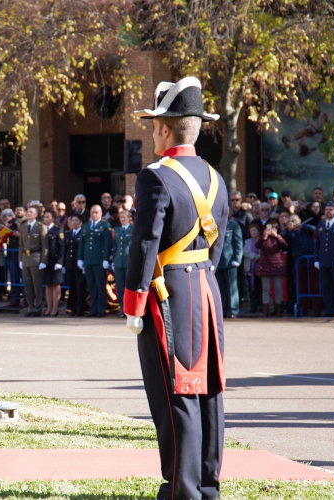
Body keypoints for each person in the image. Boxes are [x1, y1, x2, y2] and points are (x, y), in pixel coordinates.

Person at [123, 76, 229, 500]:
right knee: (209, 393)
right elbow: (216, 246)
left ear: (167, 128)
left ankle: (181, 491)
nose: (152, 131)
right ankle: (207, 486)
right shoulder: (216, 178)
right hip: (206, 288)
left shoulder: (155, 176)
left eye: (154, 124)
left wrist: (133, 302)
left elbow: (146, 243)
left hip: (169, 296)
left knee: (175, 395)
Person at [284, 214, 321, 317]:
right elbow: (286, 238)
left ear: (299, 220)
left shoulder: (306, 229)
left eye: (295, 220)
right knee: (301, 287)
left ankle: (316, 309)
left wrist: (302, 226)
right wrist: (289, 229)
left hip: (311, 260)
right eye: (291, 221)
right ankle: (302, 309)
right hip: (300, 262)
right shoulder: (290, 233)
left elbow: (314, 229)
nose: (293, 222)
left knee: (315, 286)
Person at [79, 204, 111, 317]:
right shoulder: (86, 226)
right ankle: (93, 309)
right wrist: (80, 258)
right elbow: (82, 243)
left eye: (96, 212)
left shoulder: (105, 225)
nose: (94, 214)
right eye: (92, 212)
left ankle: (101, 309)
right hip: (88, 260)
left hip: (99, 260)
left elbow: (107, 243)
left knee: (100, 286)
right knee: (91, 286)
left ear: (101, 213)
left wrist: (106, 259)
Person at [255, 218, 288, 317]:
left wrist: (277, 236)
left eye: (276, 227)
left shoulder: (280, 236)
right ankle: (265, 311)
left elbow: (285, 245)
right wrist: (264, 237)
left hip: (277, 265)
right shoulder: (263, 235)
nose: (273, 229)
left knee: (278, 288)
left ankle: (278, 310)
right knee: (265, 289)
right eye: (271, 227)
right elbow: (258, 245)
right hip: (264, 265)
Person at [19, 206, 48, 317]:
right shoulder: (23, 226)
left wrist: (44, 260)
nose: (29, 214)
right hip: (26, 258)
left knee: (37, 285)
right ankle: (30, 307)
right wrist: (20, 259)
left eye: (31, 212)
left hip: (36, 258)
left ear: (36, 215)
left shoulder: (40, 227)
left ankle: (37, 308)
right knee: (28, 285)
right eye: (28, 212)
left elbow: (45, 246)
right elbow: (21, 244)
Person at [216, 219, 243, 318]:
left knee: (232, 288)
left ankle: (233, 309)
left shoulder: (233, 225)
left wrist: (238, 259)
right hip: (217, 262)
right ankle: (222, 309)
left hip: (230, 260)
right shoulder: (213, 224)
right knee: (220, 288)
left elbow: (238, 243)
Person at [42, 209, 65, 316]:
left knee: (55, 284)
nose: (46, 219)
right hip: (46, 261)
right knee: (48, 285)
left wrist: (60, 261)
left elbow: (61, 246)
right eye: (45, 217)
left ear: (53, 219)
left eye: (48, 217)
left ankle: (55, 308)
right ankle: (49, 307)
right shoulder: (41, 229)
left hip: (55, 260)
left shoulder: (58, 229)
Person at [64, 214, 86, 316]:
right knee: (71, 287)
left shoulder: (83, 233)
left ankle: (79, 309)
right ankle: (73, 309)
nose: (74, 222)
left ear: (80, 222)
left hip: (79, 265)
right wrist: (64, 264)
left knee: (80, 287)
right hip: (70, 264)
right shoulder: (68, 234)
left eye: (76, 220)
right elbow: (66, 250)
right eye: (72, 220)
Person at [111, 210, 132, 318]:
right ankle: (122, 309)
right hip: (119, 262)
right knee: (120, 287)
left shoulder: (132, 230)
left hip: (128, 262)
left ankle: (129, 310)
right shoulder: (117, 230)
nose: (122, 220)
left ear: (129, 218)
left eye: (124, 217)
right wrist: (113, 261)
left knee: (129, 287)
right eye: (121, 218)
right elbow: (115, 246)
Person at [243, 223, 262, 314]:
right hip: (250, 267)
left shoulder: (262, 240)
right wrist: (254, 256)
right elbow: (245, 252)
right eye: (251, 231)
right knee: (251, 288)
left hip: (260, 267)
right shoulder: (247, 241)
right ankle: (253, 306)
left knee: (260, 287)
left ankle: (261, 306)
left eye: (255, 230)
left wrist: (260, 256)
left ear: (258, 231)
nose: (253, 232)